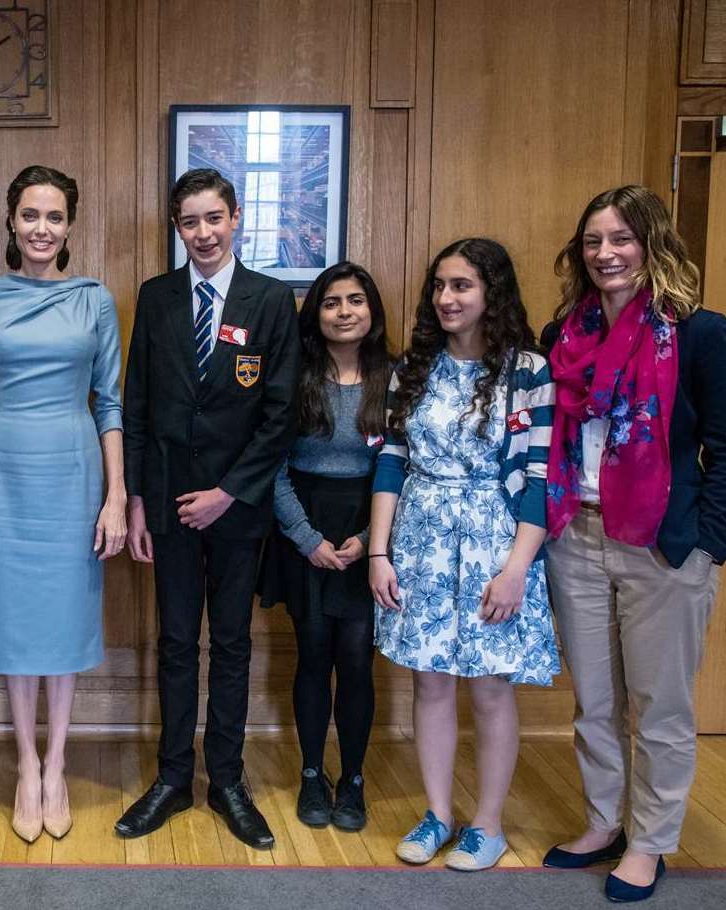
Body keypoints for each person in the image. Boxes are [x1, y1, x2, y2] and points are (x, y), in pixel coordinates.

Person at [539, 186, 726, 903]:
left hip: (661, 545)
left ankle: (648, 843)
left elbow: (721, 446)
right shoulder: (565, 335)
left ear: (650, 246)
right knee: (593, 700)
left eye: (620, 239)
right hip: (576, 538)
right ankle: (599, 824)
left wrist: (706, 543)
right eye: (592, 241)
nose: (605, 254)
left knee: (660, 707)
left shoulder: (700, 334)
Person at [118, 168, 299, 850]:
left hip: (236, 507)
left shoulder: (271, 299)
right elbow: (136, 405)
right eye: (189, 221)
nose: (202, 233)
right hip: (165, 505)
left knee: (228, 644)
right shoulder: (157, 297)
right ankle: (171, 778)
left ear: (236, 218)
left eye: (213, 218)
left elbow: (279, 414)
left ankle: (225, 781)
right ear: (176, 227)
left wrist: (228, 493)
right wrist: (136, 500)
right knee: (172, 643)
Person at [368, 238, 559, 871]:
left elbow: (539, 478)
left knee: (491, 691)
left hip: (493, 543)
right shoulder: (412, 368)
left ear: (491, 294)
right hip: (420, 538)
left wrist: (516, 569)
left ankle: (488, 824)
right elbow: (391, 462)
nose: (447, 299)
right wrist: (379, 552)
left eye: (462, 286)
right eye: (440, 287)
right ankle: (438, 813)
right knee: (429, 683)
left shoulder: (527, 370)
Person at [0, 165, 125, 843]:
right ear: (10, 221)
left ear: (69, 226)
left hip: (75, 470)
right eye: (29, 215)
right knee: (15, 622)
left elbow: (110, 402)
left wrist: (116, 496)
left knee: (62, 621)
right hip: (1, 469)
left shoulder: (95, 300)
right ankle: (25, 765)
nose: (40, 228)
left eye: (53, 217)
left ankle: (57, 763)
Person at [258, 261, 391, 832]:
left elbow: (406, 466)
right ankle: (313, 773)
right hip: (303, 526)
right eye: (332, 302)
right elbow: (273, 467)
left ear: (371, 310)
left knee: (357, 660)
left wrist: (369, 539)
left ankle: (353, 779)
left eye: (355, 300)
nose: (344, 312)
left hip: (372, 522)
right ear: (316, 313)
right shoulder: (296, 375)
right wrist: (308, 538)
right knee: (313, 653)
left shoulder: (397, 377)